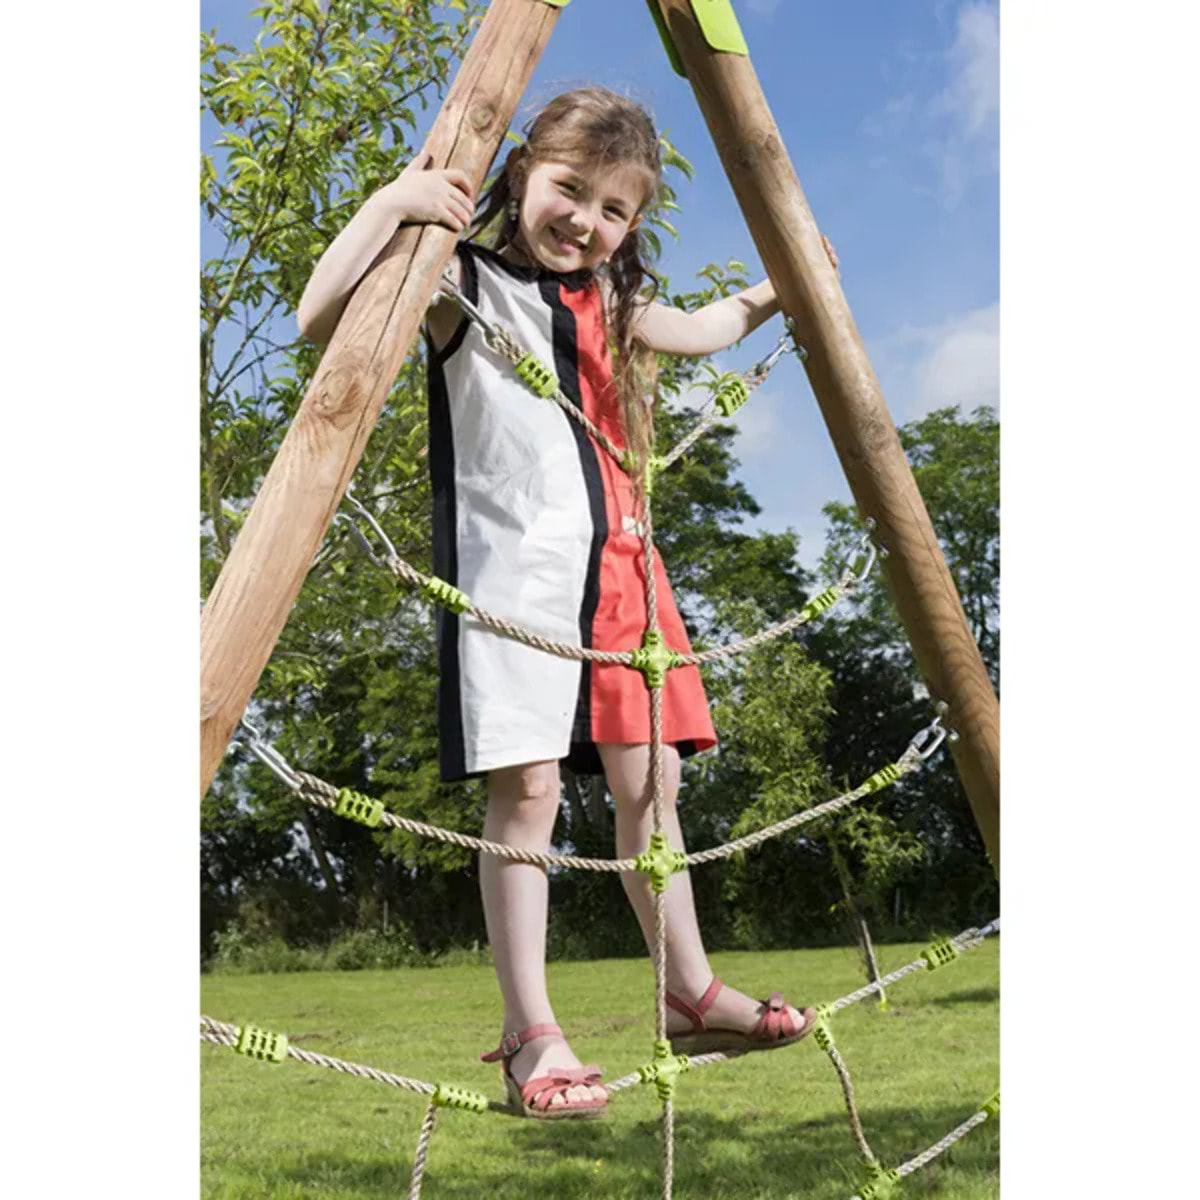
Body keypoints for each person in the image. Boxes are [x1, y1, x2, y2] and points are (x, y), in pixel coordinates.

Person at [299, 86, 837, 1121]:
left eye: (615, 208)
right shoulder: (458, 282)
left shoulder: (618, 307)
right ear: (521, 178)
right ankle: (527, 1033)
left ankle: (689, 991)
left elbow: (707, 325)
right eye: (569, 189)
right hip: (513, 582)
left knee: (655, 786)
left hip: (626, 580)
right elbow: (322, 316)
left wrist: (775, 292)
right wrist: (395, 203)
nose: (586, 220)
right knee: (531, 795)